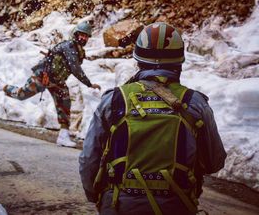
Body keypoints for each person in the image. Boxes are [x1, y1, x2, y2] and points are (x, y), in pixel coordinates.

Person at [79, 22, 226, 214]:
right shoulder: (195, 103)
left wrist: (95, 195)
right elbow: (214, 162)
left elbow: (89, 158)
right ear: (179, 62)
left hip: (118, 205)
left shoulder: (114, 100)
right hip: (176, 205)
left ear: (138, 60)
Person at [0, 21, 101, 147]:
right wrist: (89, 84)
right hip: (43, 76)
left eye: (86, 36)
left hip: (57, 81)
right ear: (76, 34)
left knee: (65, 103)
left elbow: (71, 67)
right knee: (21, 94)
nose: (84, 38)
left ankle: (63, 135)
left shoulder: (79, 51)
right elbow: (75, 68)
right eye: (82, 35)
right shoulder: (69, 46)